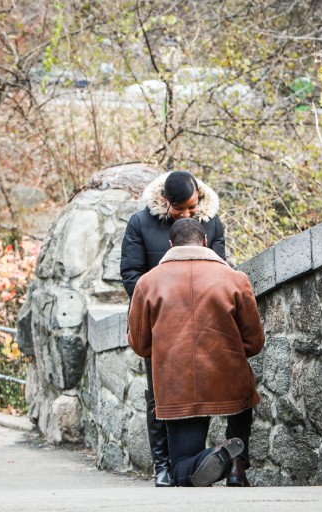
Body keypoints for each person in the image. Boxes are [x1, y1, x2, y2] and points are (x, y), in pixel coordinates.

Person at [127, 218, 265, 487]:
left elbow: (141, 346)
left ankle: (215, 456)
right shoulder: (236, 279)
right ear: (204, 242)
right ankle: (236, 466)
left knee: (181, 469)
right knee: (241, 395)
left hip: (178, 388)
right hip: (228, 378)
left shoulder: (147, 283)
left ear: (170, 245)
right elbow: (254, 342)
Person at [120, 170, 226, 487]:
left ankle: (193, 465)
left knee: (203, 392)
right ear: (166, 201)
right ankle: (164, 466)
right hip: (158, 324)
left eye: (191, 207)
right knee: (158, 396)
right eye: (180, 208)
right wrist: (161, 305)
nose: (187, 214)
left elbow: (218, 270)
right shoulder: (140, 223)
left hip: (202, 324)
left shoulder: (212, 223)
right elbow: (131, 275)